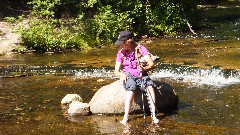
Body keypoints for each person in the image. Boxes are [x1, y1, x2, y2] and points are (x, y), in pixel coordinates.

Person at [114, 30, 159, 125]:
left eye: (122, 43)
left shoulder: (141, 49)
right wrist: (122, 74)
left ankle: (154, 116)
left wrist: (144, 68)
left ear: (128, 42)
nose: (120, 45)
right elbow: (116, 71)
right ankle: (126, 117)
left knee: (150, 87)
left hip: (141, 74)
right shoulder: (120, 53)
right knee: (131, 88)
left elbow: (151, 64)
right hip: (128, 74)